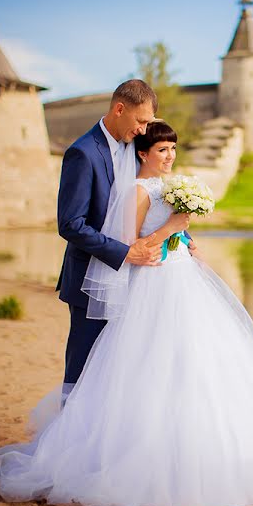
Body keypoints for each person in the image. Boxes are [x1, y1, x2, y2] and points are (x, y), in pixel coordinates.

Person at [0, 120, 253, 506]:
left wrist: (186, 240)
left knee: (196, 365)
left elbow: (174, 234)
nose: (170, 156)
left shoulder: (170, 188)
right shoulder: (137, 191)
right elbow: (133, 245)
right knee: (150, 367)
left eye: (173, 149)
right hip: (153, 286)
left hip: (182, 279)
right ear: (143, 153)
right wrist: (173, 226)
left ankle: (196, 449)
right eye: (161, 150)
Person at [54, 79, 190, 404]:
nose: (145, 128)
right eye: (141, 121)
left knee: (116, 371)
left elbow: (155, 194)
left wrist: (183, 233)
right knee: (83, 369)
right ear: (119, 109)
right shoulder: (82, 153)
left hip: (135, 284)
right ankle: (63, 444)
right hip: (91, 279)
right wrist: (125, 253)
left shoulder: (134, 144)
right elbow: (71, 224)